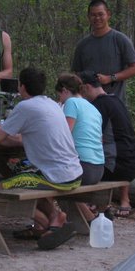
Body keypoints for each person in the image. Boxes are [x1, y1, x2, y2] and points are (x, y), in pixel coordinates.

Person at [0, 67, 83, 250]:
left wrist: (11, 139)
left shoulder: (25, 106)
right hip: (75, 172)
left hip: (57, 176)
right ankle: (56, 217)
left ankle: (45, 223)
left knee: (0, 188)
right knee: (30, 181)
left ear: (22, 87)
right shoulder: (52, 104)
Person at [79, 70, 135, 217]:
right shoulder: (115, 100)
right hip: (132, 165)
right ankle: (97, 206)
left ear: (86, 87)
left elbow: (94, 140)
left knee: (70, 175)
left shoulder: (98, 106)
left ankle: (88, 214)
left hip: (117, 167)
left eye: (79, 91)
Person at [55, 72, 105, 223]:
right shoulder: (93, 108)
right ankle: (90, 220)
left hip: (83, 167)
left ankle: (50, 221)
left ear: (64, 90)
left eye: (59, 95)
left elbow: (65, 135)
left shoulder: (71, 103)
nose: (59, 99)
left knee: (46, 179)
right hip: (98, 168)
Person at [71, 0, 135, 103]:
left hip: (114, 103)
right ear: (88, 17)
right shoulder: (82, 45)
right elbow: (76, 74)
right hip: (88, 105)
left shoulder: (120, 39)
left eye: (100, 14)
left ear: (108, 14)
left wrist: (110, 78)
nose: (97, 18)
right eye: (93, 15)